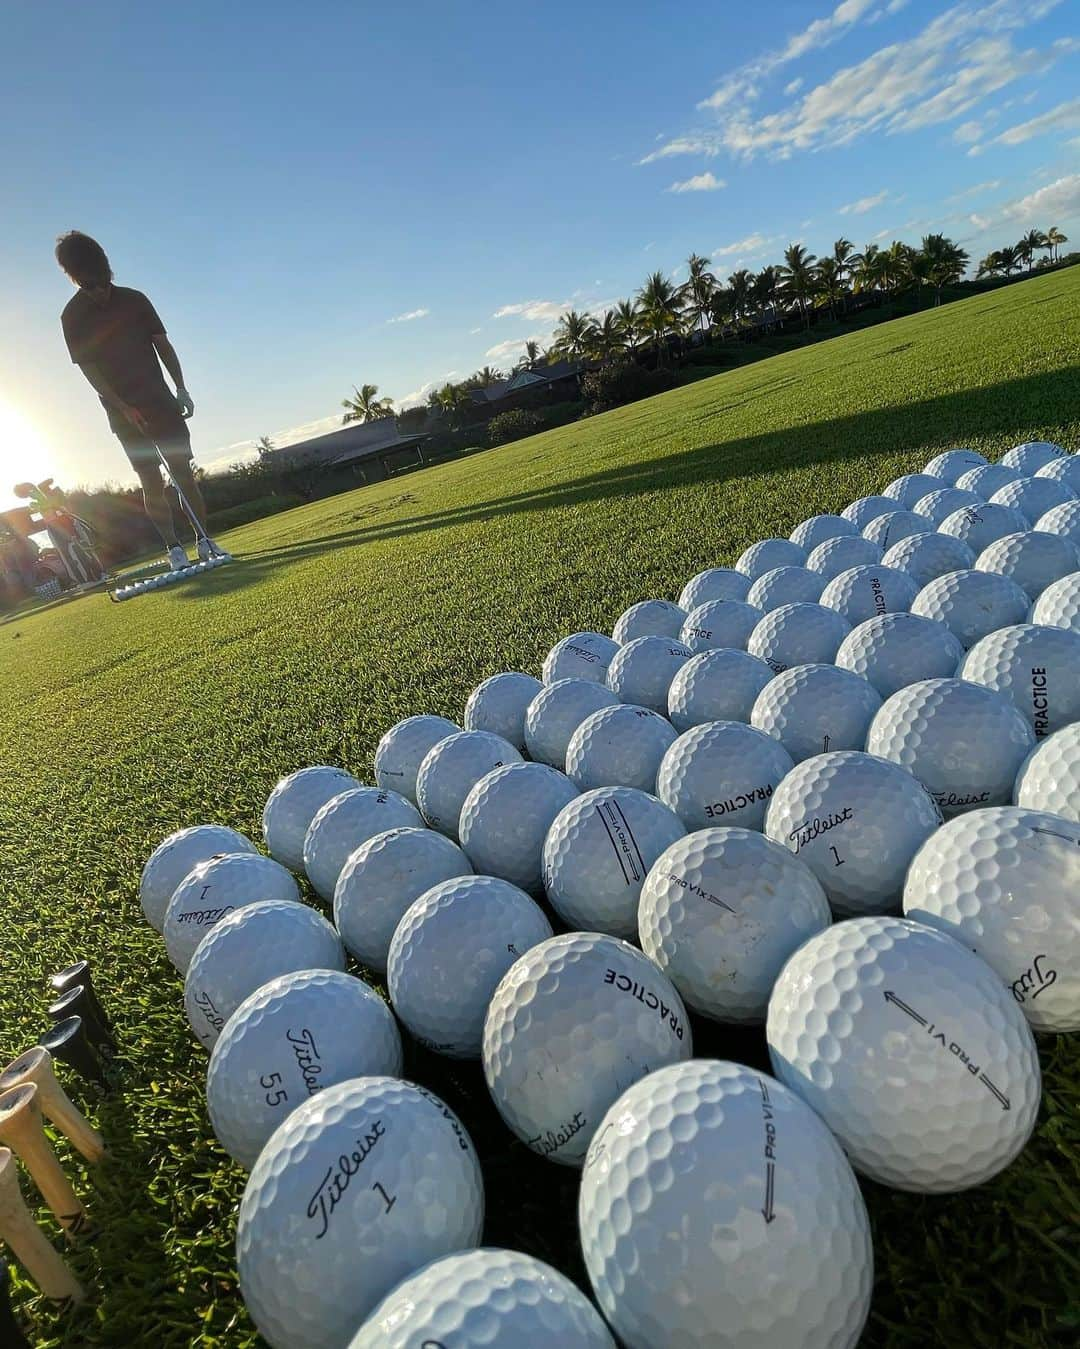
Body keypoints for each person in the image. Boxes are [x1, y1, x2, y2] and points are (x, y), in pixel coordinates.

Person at [55, 231, 227, 569]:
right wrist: (122, 407)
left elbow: (163, 345)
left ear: (107, 271)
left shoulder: (135, 299)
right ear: (75, 278)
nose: (100, 292)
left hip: (161, 402)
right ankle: (174, 549)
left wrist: (181, 388)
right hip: (122, 413)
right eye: (91, 287)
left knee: (183, 474)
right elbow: (90, 371)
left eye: (103, 283)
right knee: (151, 479)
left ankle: (205, 541)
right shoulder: (72, 316)